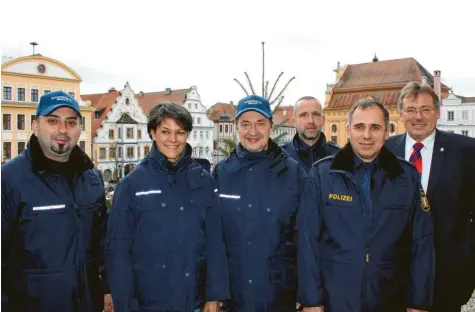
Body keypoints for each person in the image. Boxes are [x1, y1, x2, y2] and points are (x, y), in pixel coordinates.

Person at [299, 98, 435, 312]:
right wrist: (311, 299)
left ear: (387, 132)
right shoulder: (323, 175)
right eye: (360, 127)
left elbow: (422, 242)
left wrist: (419, 301)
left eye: (375, 127)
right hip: (336, 299)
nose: (367, 135)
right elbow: (307, 240)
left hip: (389, 297)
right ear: (348, 130)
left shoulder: (406, 177)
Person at [106, 102, 229, 312]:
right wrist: (124, 305)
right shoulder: (132, 185)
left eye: (180, 132)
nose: (173, 139)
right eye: (165, 131)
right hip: (149, 303)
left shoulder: (204, 181)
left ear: (187, 134)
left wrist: (214, 295)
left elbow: (215, 242)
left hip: (194, 301)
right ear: (153, 133)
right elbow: (119, 252)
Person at [1, 91, 109, 312]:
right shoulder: (9, 179)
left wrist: (107, 288)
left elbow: (104, 244)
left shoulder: (92, 178)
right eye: (52, 121)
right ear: (35, 125)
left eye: (71, 122)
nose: (62, 130)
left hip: (88, 303)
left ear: (80, 128)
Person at [213, 94, 314, 311]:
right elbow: (213, 240)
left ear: (271, 126)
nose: (253, 132)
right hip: (234, 296)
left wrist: (308, 295)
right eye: (245, 124)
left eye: (260, 124)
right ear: (236, 127)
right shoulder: (222, 173)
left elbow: (306, 238)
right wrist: (214, 291)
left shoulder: (293, 173)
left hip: (279, 295)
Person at [386, 82, 475, 312]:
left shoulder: (466, 151)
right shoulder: (385, 151)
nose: (419, 116)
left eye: (425, 109)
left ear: (437, 112)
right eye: (411, 110)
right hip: (393, 279)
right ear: (401, 113)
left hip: (447, 277)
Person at [281, 96, 339, 172]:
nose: (310, 121)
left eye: (316, 114)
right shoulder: (280, 157)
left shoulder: (339, 157)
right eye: (303, 115)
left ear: (323, 120)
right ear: (294, 121)